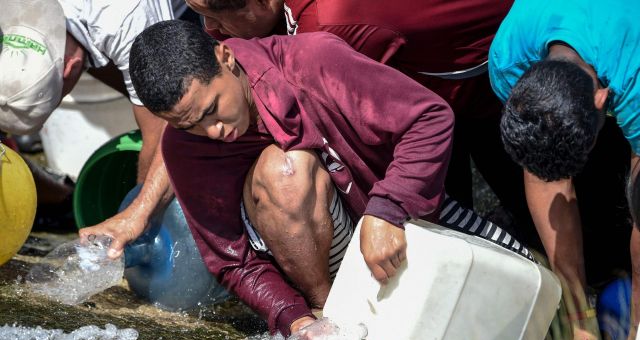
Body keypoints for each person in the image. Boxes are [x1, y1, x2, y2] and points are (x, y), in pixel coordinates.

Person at [126, 20, 535, 338]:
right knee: (283, 170)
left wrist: (387, 212)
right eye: (190, 124)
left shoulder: (313, 61)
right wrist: (294, 317)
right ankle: (330, 312)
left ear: (225, 58)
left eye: (212, 109)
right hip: (306, 260)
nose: (212, 131)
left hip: (391, 211)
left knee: (535, 287)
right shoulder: (184, 147)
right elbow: (231, 261)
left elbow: (430, 118)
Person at [83, 0, 541, 261]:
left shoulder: (323, 34)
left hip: (503, 84)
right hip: (426, 89)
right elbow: (196, 115)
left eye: (219, 19)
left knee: (541, 247)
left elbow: (423, 119)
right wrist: (141, 210)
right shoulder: (263, 35)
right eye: (200, 14)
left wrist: (386, 211)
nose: (210, 31)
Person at [488, 0, 640, 340]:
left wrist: (635, 337)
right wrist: (579, 319)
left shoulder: (632, 73)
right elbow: (543, 176)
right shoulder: (508, 62)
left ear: (602, 99)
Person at [0, 0, 176, 184]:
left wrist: (136, 204)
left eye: (58, 98)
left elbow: (165, 134)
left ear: (69, 66)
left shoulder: (124, 21)